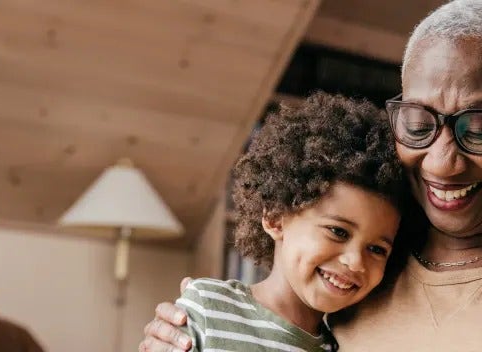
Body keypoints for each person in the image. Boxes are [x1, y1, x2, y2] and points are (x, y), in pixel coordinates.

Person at [140, 1, 482, 351]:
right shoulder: (372, 255)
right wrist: (189, 327)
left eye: (479, 127)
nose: (442, 160)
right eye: (419, 123)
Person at [170, 92, 409, 351]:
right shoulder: (209, 307)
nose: (355, 261)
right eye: (338, 232)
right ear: (275, 218)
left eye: (377, 249)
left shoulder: (349, 346)